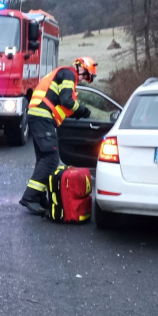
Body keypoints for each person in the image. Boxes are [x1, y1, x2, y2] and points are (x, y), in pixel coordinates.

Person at [19, 56, 97, 214]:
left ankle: (40, 197)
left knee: (43, 158)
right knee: (51, 158)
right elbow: (67, 101)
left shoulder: (64, 75)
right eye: (85, 75)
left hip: (40, 116)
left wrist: (77, 112)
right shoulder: (70, 74)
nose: (83, 79)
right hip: (43, 117)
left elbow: (63, 105)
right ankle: (30, 197)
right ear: (80, 67)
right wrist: (82, 110)